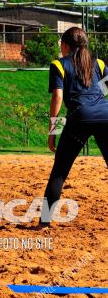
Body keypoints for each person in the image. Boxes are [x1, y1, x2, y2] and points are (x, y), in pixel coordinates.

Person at [42, 26, 108, 225]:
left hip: (79, 117)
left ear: (65, 45)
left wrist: (53, 132)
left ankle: (44, 223)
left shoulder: (59, 64)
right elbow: (105, 89)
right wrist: (96, 101)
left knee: (60, 172)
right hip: (105, 114)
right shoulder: (100, 63)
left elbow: (58, 98)